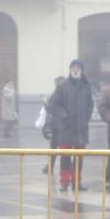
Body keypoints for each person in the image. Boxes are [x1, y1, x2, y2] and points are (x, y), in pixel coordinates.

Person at [45, 60, 93, 191]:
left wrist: (85, 118)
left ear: (82, 70)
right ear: (70, 70)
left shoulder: (86, 86)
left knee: (79, 158)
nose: (76, 70)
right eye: (73, 67)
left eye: (78, 67)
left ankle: (77, 182)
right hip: (66, 129)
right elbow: (53, 104)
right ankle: (64, 181)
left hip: (81, 129)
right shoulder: (62, 86)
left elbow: (90, 104)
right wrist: (63, 115)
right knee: (65, 156)